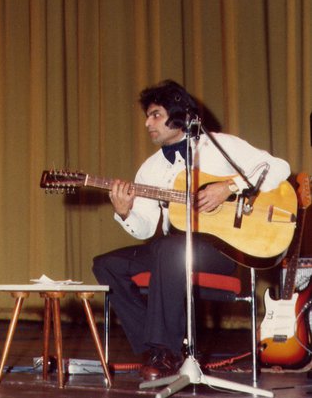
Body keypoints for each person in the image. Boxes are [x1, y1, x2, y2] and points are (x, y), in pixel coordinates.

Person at [92, 80, 291, 380]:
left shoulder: (219, 147)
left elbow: (278, 168)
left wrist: (228, 187)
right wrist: (125, 211)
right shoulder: (151, 168)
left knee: (170, 249)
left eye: (156, 115)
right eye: (147, 116)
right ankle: (158, 349)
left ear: (179, 116)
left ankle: (165, 349)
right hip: (171, 251)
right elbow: (145, 229)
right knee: (106, 265)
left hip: (222, 250)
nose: (148, 123)